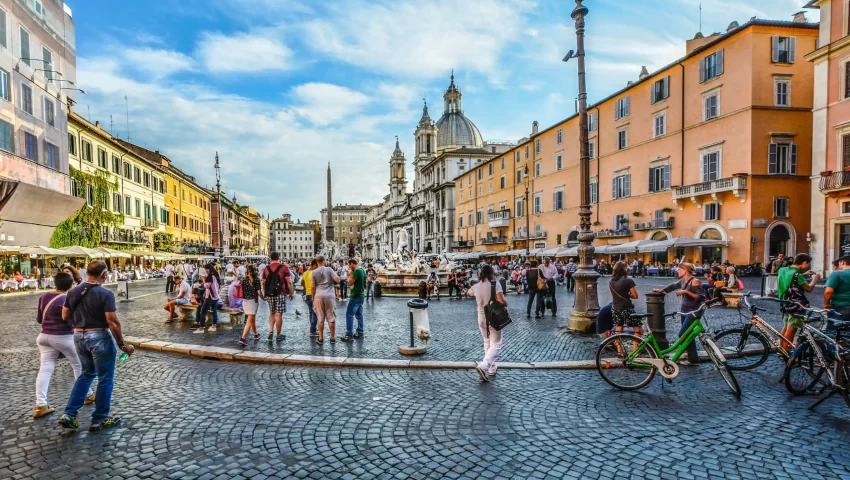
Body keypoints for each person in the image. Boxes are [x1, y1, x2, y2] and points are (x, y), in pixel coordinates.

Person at [58, 261, 134, 431]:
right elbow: (112, 322)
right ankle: (100, 418)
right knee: (105, 378)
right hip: (99, 335)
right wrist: (122, 344)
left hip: (79, 335)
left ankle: (69, 414)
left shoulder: (73, 291)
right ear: (104, 274)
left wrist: (80, 318)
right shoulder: (105, 293)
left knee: (86, 374)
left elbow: (64, 315)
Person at [33, 272, 94, 418]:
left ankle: (41, 404)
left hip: (43, 337)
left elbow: (39, 319)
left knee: (45, 369)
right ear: (71, 285)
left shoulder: (44, 297)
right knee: (79, 365)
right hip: (63, 337)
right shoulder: (68, 299)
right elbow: (72, 320)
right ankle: (88, 394)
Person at [653, 263, 705, 366]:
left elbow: (701, 297)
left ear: (685, 270)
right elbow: (673, 286)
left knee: (683, 334)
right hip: (684, 310)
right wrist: (661, 290)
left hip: (694, 311)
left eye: (680, 269)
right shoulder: (682, 281)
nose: (678, 271)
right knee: (688, 334)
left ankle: (689, 357)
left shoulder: (695, 282)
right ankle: (693, 359)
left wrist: (686, 291)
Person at [466, 264, 506, 382]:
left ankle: (491, 368)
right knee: (496, 344)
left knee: (487, 341)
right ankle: (484, 366)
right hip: (493, 317)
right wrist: (505, 303)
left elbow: (468, 293)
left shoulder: (476, 286)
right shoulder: (495, 284)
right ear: (491, 273)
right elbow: (501, 300)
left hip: (481, 318)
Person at [777, 254, 820, 350]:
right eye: (808, 264)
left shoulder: (782, 270)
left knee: (786, 326)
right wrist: (815, 280)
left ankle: (781, 350)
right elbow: (808, 288)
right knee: (792, 328)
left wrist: (803, 275)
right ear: (804, 262)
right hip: (796, 304)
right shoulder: (798, 275)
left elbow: (790, 278)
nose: (808, 266)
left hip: (785, 301)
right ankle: (787, 352)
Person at [262, 252, 294, 342]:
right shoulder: (284, 268)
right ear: (278, 258)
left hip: (269, 294)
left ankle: (271, 331)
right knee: (278, 314)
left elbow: (263, 283)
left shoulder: (266, 268)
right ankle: (278, 335)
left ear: (270, 258)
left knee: (272, 312)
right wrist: (291, 292)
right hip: (281, 293)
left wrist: (265, 294)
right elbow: (289, 282)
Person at [312, 255, 340, 345]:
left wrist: (313, 297)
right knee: (331, 317)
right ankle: (332, 338)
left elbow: (312, 286)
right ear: (324, 261)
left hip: (318, 296)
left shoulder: (314, 272)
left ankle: (320, 338)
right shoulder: (329, 269)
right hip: (330, 295)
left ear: (317, 262)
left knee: (320, 318)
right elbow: (338, 280)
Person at [609, 262, 641, 337]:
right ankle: (635, 349)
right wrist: (629, 295)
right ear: (624, 269)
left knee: (618, 330)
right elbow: (635, 296)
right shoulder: (628, 281)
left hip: (615, 308)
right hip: (626, 308)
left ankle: (619, 349)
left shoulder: (611, 282)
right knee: (639, 330)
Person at [192, 263, 221, 333]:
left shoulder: (210, 276)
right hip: (216, 296)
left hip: (210, 296)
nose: (206, 271)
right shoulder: (216, 275)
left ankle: (201, 328)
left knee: (203, 312)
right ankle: (214, 326)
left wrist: (203, 279)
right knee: (214, 311)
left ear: (209, 269)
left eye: (206, 269)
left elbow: (207, 286)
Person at [342, 258, 367, 342]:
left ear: (352, 264)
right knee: (359, 314)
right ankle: (360, 332)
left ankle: (349, 335)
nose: (349, 267)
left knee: (349, 314)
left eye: (349, 265)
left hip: (355, 296)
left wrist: (349, 276)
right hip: (361, 295)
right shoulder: (363, 270)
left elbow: (350, 283)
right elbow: (364, 283)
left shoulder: (356, 271)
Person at [238, 265, 263, 346]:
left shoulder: (244, 280)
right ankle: (243, 338)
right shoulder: (257, 280)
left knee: (252, 319)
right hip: (253, 301)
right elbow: (259, 292)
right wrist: (263, 298)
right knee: (249, 320)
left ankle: (256, 334)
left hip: (245, 301)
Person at [825, 256, 850, 320]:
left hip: (840, 306)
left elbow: (828, 291)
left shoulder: (836, 274)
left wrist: (826, 304)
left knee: (834, 328)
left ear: (843, 262)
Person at [302, 259, 319, 336]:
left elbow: (302, 282)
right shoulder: (315, 273)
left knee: (310, 312)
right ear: (315, 265)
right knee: (315, 313)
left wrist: (306, 287)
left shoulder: (305, 273)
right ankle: (313, 330)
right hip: (314, 294)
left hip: (307, 294)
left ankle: (312, 328)